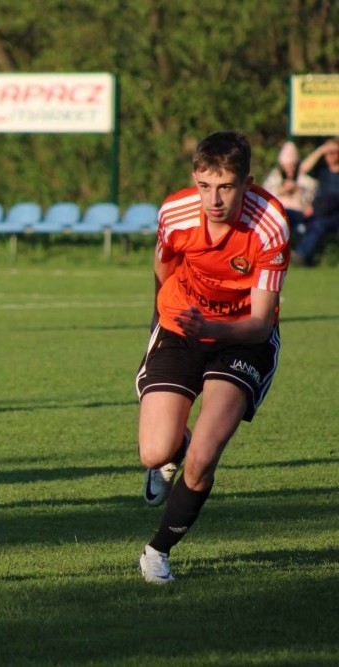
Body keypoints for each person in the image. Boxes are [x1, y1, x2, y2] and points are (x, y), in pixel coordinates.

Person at [136, 131, 290, 584]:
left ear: (247, 183)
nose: (214, 200)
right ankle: (173, 448)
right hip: (182, 327)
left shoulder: (270, 225)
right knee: (155, 450)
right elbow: (164, 266)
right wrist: (163, 318)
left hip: (241, 338)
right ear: (194, 180)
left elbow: (260, 323)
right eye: (205, 186)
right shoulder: (176, 213)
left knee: (204, 456)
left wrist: (214, 327)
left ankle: (157, 551)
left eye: (225, 187)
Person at [293, 137, 339, 266]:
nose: (331, 156)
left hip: (333, 213)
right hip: (320, 213)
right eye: (328, 153)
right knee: (310, 223)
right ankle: (300, 256)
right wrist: (321, 150)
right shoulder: (322, 170)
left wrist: (316, 208)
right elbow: (302, 169)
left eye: (334, 152)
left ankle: (302, 255)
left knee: (319, 222)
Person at [261, 140, 316, 233]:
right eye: (287, 167)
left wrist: (298, 190)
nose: (290, 170)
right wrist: (281, 190)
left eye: (292, 166)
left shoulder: (304, 180)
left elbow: (310, 198)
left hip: (297, 212)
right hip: (278, 212)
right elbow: (266, 195)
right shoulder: (274, 177)